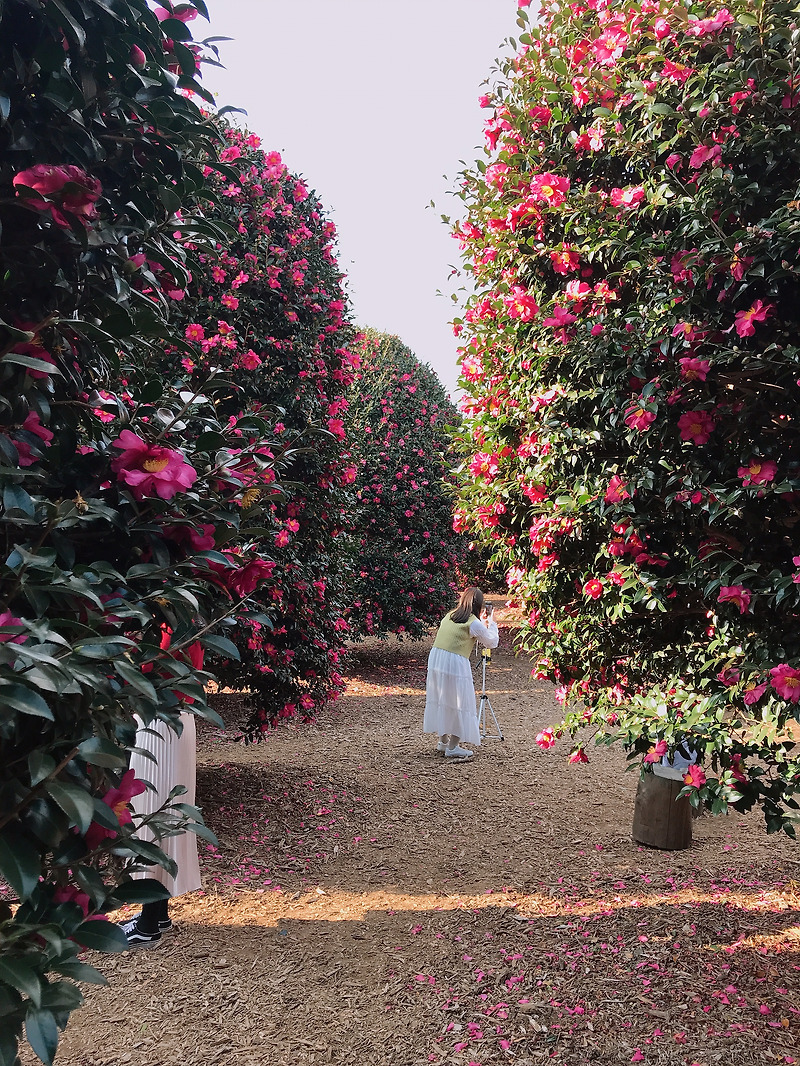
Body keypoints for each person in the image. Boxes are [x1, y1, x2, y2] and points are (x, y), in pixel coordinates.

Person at [118, 710, 202, 948]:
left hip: (160, 723)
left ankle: (148, 925)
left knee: (152, 812)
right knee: (164, 814)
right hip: (176, 721)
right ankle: (157, 913)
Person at [424, 587, 499, 761]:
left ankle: (443, 741)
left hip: (437, 658)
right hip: (455, 661)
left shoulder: (450, 615)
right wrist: (492, 622)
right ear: (479, 605)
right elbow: (491, 642)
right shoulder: (472, 622)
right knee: (460, 701)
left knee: (443, 698)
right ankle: (452, 747)